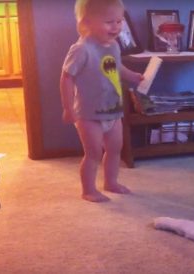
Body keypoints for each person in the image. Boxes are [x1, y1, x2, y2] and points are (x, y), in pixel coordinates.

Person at [60, 0, 143, 202]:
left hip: (113, 110)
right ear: (87, 22)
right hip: (89, 114)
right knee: (94, 152)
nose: (115, 27)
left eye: (119, 21)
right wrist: (68, 108)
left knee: (115, 149)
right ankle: (88, 189)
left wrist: (132, 76)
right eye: (109, 22)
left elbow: (116, 67)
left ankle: (111, 182)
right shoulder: (81, 49)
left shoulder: (113, 46)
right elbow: (66, 77)